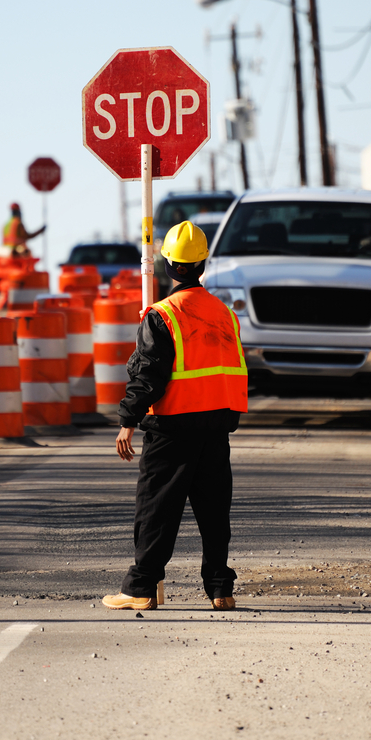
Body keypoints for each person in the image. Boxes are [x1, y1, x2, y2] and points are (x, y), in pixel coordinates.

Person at [102, 220, 248, 613]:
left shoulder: (162, 315)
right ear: (202, 263)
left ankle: (141, 589)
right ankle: (221, 590)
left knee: (156, 511)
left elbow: (148, 374)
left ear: (169, 264)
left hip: (172, 427)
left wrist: (128, 419)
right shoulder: (224, 314)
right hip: (215, 427)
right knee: (214, 513)